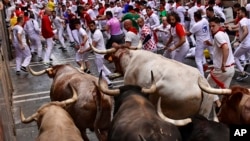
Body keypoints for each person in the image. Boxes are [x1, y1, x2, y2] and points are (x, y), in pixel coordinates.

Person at [208, 17, 235, 107]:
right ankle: (228, 108)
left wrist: (223, 64)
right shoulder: (223, 33)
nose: (211, 28)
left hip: (222, 69)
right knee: (225, 91)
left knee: (208, 85)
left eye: (213, 26)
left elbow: (225, 48)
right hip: (231, 69)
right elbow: (221, 47)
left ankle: (218, 104)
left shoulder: (217, 35)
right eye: (210, 26)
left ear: (218, 25)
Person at [186, 10, 213, 77]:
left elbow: (189, 34)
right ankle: (204, 64)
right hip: (207, 40)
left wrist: (183, 30)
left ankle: (202, 75)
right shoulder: (205, 20)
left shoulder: (196, 25)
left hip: (200, 42)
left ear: (195, 17)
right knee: (203, 54)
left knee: (198, 59)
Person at [88, 21, 113, 88]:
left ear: (95, 26)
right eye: (90, 26)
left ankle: (109, 83)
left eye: (92, 26)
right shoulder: (97, 32)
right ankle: (109, 74)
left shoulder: (96, 34)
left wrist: (83, 50)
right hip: (101, 52)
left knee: (99, 69)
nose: (91, 28)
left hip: (99, 53)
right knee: (102, 65)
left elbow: (93, 46)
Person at [230, 7, 250, 81]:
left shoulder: (242, 21)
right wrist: (229, 28)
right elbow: (239, 28)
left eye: (239, 13)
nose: (237, 14)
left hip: (245, 44)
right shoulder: (248, 20)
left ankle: (243, 73)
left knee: (235, 57)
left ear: (243, 13)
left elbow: (245, 31)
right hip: (249, 43)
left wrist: (239, 41)